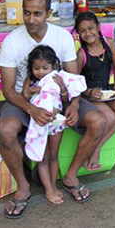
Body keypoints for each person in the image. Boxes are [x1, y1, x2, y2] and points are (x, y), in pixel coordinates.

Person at [0, 0, 106, 218]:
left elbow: (74, 80)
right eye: (26, 13)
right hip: (24, 99)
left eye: (37, 14)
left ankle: (71, 176)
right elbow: (8, 91)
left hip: (61, 98)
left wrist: (74, 105)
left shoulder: (62, 37)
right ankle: (23, 187)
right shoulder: (12, 41)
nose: (30, 19)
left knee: (98, 120)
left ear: (49, 12)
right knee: (6, 130)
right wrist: (31, 109)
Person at [74, 11, 115, 171]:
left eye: (91, 28)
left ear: (98, 27)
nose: (88, 33)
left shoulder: (109, 43)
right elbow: (75, 82)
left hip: (107, 92)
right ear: (78, 33)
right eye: (82, 30)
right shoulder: (81, 54)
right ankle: (94, 150)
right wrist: (88, 92)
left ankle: (98, 146)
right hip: (90, 97)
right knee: (108, 116)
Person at [21, 45, 70, 205]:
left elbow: (64, 100)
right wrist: (30, 91)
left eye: (45, 68)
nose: (41, 72)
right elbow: (24, 97)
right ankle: (49, 190)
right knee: (43, 158)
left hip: (55, 123)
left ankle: (54, 186)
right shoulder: (31, 80)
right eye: (36, 68)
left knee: (54, 156)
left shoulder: (57, 78)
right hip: (40, 123)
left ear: (53, 66)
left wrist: (62, 87)